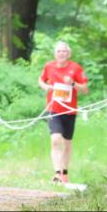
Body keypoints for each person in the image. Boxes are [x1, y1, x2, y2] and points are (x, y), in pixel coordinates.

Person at [38, 41, 89, 184]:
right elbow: (40, 80)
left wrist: (72, 83)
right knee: (55, 140)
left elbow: (85, 89)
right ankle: (57, 173)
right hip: (54, 109)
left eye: (64, 51)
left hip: (70, 111)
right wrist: (46, 87)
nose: (61, 54)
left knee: (67, 143)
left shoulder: (76, 68)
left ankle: (64, 173)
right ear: (55, 54)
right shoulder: (49, 66)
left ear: (69, 54)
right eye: (59, 51)